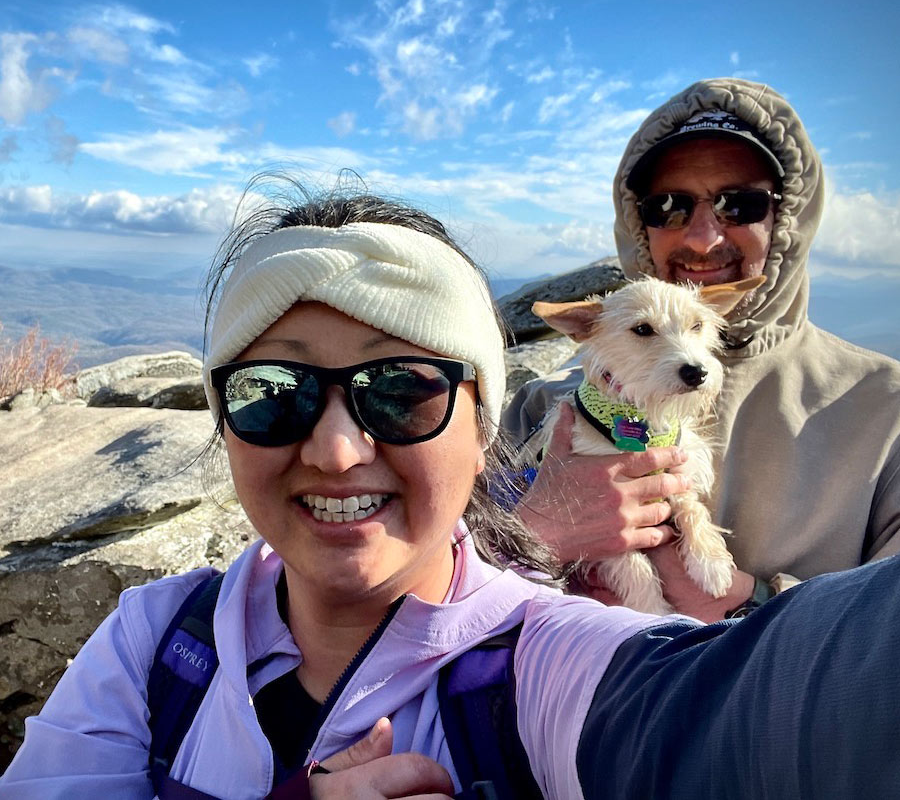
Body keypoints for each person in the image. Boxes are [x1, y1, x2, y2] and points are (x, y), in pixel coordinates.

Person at [4, 178, 900, 800]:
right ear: (225, 425)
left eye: (403, 388)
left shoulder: (549, 660)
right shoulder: (150, 644)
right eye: (271, 393)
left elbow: (768, 711)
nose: (339, 450)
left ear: (484, 426)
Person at [504, 77, 900, 621]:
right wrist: (536, 531)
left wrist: (749, 605)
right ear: (636, 221)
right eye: (668, 207)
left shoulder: (888, 412)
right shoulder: (539, 408)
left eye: (740, 204)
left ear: (787, 217)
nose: (702, 238)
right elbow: (439, 581)